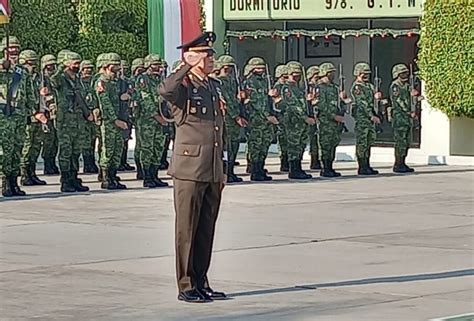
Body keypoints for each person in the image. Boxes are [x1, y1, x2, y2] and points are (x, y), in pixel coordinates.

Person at [159, 31, 228, 303]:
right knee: (187, 229)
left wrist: (222, 169)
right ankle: (186, 285)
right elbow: (165, 91)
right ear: (192, 56)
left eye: (210, 54)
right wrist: (185, 65)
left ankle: (202, 280)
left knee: (206, 228)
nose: (211, 59)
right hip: (189, 168)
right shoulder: (184, 86)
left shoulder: (211, 86)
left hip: (211, 167)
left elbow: (218, 129)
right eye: (205, 55)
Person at [51, 51, 92, 192]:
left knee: (76, 151)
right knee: (66, 151)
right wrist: (59, 68)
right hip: (65, 121)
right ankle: (65, 180)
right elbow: (52, 81)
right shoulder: (60, 78)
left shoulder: (77, 79)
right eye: (75, 63)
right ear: (67, 64)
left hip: (78, 121)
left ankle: (74, 178)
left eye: (78, 63)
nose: (77, 66)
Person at [0, 37, 30, 197]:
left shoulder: (21, 71)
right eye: (11, 50)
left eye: (17, 51)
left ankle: (14, 181)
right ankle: (5, 182)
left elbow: (28, 92)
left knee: (18, 149)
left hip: (20, 115)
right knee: (6, 150)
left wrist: (31, 111)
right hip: (4, 116)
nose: (14, 54)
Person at [242, 57, 278, 181]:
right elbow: (255, 101)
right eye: (258, 68)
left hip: (267, 119)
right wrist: (267, 115)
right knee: (256, 145)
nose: (261, 70)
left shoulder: (264, 81)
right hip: (256, 118)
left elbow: (267, 99)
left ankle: (261, 168)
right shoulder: (250, 82)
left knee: (264, 144)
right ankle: (255, 170)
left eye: (262, 68)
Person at [135, 53, 168, 188]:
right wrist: (156, 116)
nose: (157, 67)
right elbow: (145, 99)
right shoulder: (143, 79)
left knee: (158, 147)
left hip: (161, 118)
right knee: (147, 148)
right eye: (155, 64)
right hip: (147, 120)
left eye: (159, 65)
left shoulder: (160, 79)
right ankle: (147, 176)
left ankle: (155, 175)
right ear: (148, 65)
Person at [95, 53, 128, 190]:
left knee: (117, 149)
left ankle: (114, 176)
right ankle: (106, 178)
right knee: (108, 150)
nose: (117, 67)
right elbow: (105, 103)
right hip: (109, 122)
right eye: (114, 65)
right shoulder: (101, 82)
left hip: (119, 120)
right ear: (106, 66)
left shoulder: (115, 82)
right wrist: (115, 120)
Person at [217, 54, 247, 183]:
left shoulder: (233, 80)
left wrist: (241, 97)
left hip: (235, 116)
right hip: (227, 118)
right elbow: (226, 101)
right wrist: (236, 116)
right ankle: (226, 172)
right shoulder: (219, 81)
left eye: (230, 67)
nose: (228, 69)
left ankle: (231, 171)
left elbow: (234, 99)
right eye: (226, 67)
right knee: (227, 145)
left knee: (234, 144)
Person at [317, 62, 351, 178]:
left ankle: (330, 167)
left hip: (336, 122)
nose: (333, 75)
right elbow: (321, 105)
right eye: (330, 73)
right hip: (326, 121)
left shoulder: (335, 88)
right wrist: (333, 116)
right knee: (326, 145)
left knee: (333, 144)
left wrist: (344, 100)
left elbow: (339, 103)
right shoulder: (319, 88)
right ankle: (325, 168)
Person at [20, 50, 48, 186]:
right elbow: (21, 98)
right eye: (29, 63)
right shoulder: (19, 77)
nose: (32, 66)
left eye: (33, 63)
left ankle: (32, 172)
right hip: (28, 116)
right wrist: (33, 113)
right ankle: (24, 174)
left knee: (36, 146)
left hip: (40, 114)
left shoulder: (39, 77)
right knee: (27, 146)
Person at [350, 62, 382, 175]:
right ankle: (362, 166)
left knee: (369, 142)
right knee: (362, 143)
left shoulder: (369, 86)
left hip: (370, 119)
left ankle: (367, 165)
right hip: (363, 118)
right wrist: (371, 116)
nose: (366, 75)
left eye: (367, 73)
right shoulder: (357, 87)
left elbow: (373, 101)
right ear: (358, 73)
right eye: (364, 73)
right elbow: (362, 103)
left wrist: (378, 98)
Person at [389, 64, 421, 173]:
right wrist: (408, 112)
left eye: (406, 73)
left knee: (406, 142)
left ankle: (403, 162)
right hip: (400, 117)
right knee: (400, 142)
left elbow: (411, 98)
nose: (405, 75)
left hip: (407, 118)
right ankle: (398, 164)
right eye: (403, 73)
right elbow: (398, 102)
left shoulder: (407, 85)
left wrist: (416, 96)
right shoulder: (395, 86)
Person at [39, 54, 60, 175]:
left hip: (56, 113)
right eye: (48, 66)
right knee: (48, 141)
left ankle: (52, 162)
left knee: (55, 141)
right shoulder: (40, 80)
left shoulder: (55, 79)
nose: (51, 68)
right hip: (46, 114)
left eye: (52, 65)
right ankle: (47, 163)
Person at [79, 59, 100, 174]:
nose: (88, 71)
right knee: (85, 140)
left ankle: (92, 162)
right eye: (86, 68)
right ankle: (87, 163)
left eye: (90, 69)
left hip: (94, 114)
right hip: (84, 115)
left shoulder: (94, 82)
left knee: (93, 139)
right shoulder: (78, 82)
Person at [306, 65, 322, 170]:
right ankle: (314, 160)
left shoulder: (320, 87)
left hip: (320, 115)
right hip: (312, 115)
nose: (317, 78)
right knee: (313, 139)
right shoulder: (307, 87)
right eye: (315, 75)